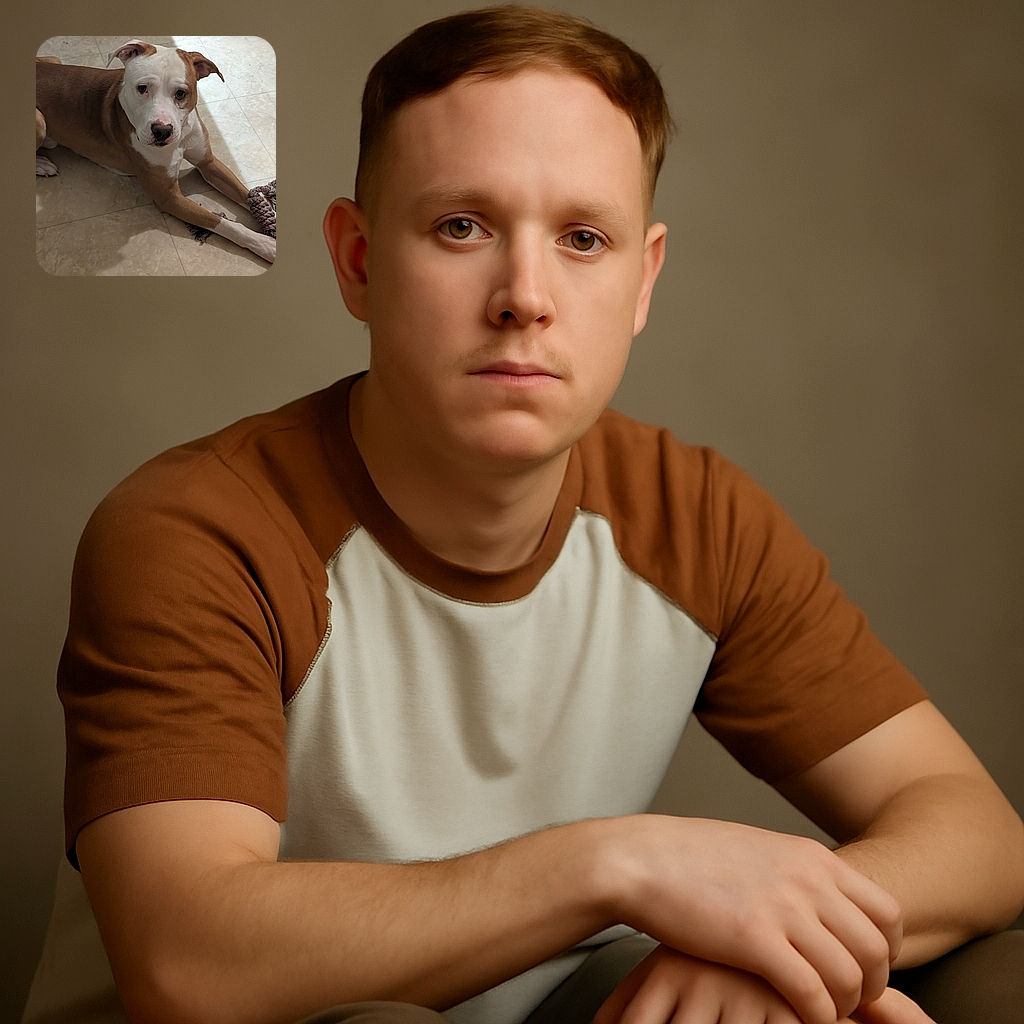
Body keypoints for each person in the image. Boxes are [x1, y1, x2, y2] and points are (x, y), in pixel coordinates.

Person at [22, 7, 1024, 1024]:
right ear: (358, 261)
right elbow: (191, 964)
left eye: (583, 238)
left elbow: (977, 832)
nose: (524, 296)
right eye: (462, 226)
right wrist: (617, 863)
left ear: (644, 279)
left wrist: (774, 943)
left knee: (989, 980)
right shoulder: (194, 529)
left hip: (564, 1005)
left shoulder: (694, 516)